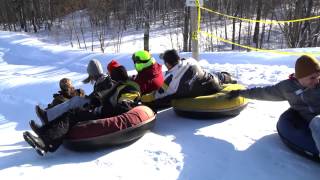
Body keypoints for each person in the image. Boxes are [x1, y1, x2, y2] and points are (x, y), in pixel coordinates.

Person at [24, 60, 141, 156]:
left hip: (104, 114)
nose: (111, 80)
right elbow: (106, 97)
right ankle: (44, 133)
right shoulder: (119, 86)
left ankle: (46, 142)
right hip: (101, 109)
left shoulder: (129, 89)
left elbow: (121, 106)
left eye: (113, 77)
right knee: (72, 112)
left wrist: (97, 108)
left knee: (72, 114)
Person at [227, 55, 320, 153]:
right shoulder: (287, 88)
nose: (316, 81)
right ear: (300, 77)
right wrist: (239, 93)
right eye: (312, 78)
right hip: (313, 120)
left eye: (318, 76)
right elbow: (264, 92)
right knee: (317, 121)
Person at [141, 49, 236, 109]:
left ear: (167, 64)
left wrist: (143, 97)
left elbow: (158, 94)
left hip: (201, 92)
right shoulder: (191, 61)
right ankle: (229, 78)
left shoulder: (170, 80)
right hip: (213, 84)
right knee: (214, 75)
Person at [35, 59, 113, 125]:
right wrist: (87, 98)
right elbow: (97, 94)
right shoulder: (102, 80)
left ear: (92, 73)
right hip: (96, 105)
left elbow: (101, 95)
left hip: (99, 108)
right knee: (75, 100)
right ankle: (48, 115)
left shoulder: (105, 81)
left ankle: (47, 116)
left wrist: (88, 99)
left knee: (75, 101)